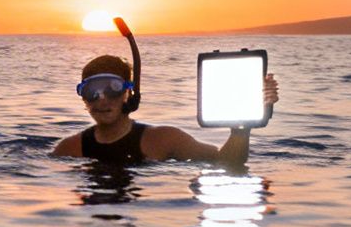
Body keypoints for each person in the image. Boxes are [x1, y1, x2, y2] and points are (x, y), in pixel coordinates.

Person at [51, 55, 278, 167]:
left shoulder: (165, 139)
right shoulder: (69, 149)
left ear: (128, 93)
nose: (102, 99)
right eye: (92, 91)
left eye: (113, 88)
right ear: (82, 97)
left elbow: (227, 164)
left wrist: (243, 127)